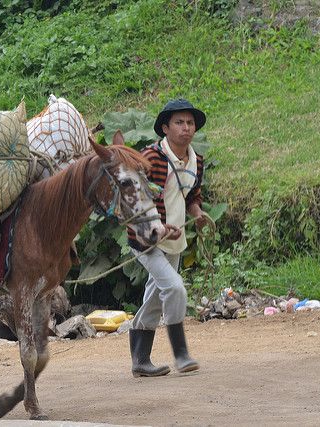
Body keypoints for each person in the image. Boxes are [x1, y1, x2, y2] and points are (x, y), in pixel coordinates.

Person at [126, 98, 208, 377]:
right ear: (165, 128)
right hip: (146, 239)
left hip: (174, 240)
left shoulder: (197, 161)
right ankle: (181, 353)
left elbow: (191, 194)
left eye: (190, 123)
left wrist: (196, 212)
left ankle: (140, 361)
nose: (186, 128)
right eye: (179, 122)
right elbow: (137, 197)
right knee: (174, 288)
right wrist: (159, 226)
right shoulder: (151, 159)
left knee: (156, 297)